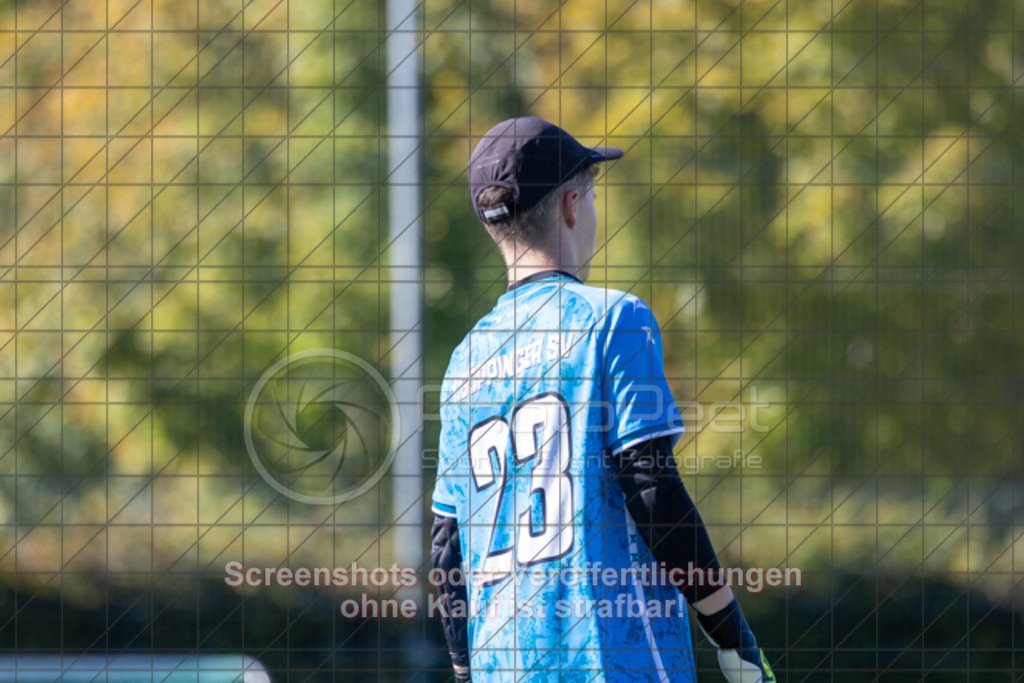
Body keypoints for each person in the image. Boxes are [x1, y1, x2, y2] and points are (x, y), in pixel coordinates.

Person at [430, 116, 775, 683]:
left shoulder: (463, 361)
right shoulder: (614, 319)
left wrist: (467, 670)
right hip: (614, 659)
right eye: (590, 196)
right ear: (571, 205)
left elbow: (448, 550)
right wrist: (730, 633)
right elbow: (651, 489)